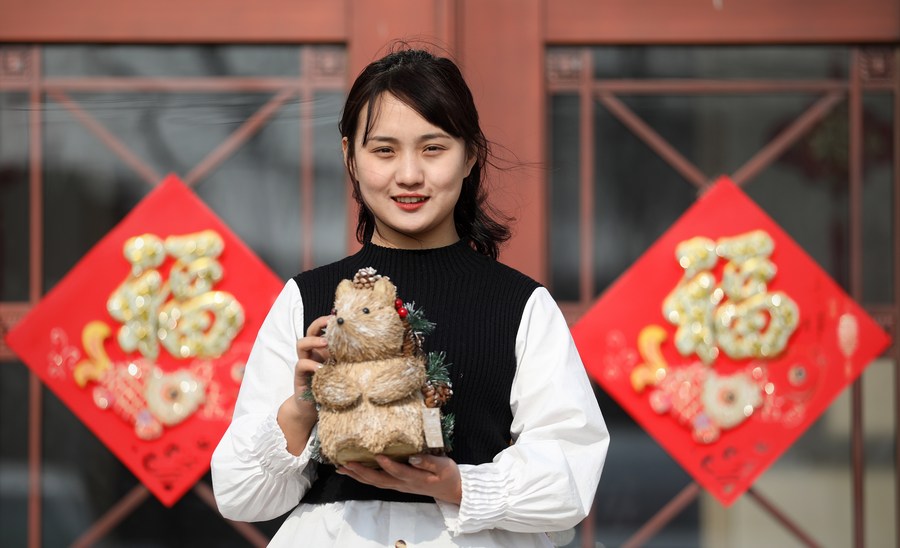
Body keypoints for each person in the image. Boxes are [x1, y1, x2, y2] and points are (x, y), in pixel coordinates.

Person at [211, 46, 609, 547]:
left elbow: (570, 476)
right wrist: (300, 409)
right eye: (384, 150)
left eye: (433, 148)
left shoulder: (521, 305)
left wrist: (458, 485)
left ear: (470, 155)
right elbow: (240, 495)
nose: (409, 175)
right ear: (349, 156)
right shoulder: (305, 298)